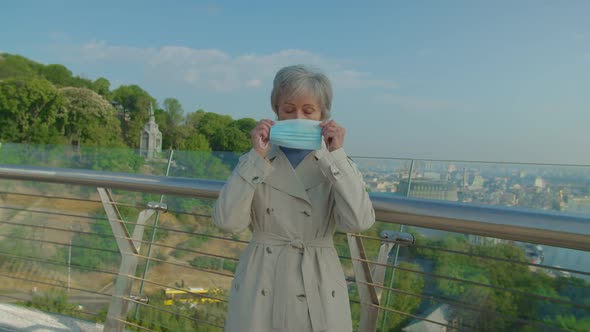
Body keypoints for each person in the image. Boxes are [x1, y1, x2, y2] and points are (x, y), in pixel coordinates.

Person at [213, 65, 375, 332]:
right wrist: (256, 158)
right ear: (276, 112)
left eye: (308, 111)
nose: (297, 117)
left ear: (324, 115)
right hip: (262, 277)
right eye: (288, 110)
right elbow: (226, 221)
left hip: (317, 279)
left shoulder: (336, 163)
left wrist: (335, 155)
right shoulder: (256, 159)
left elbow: (359, 221)